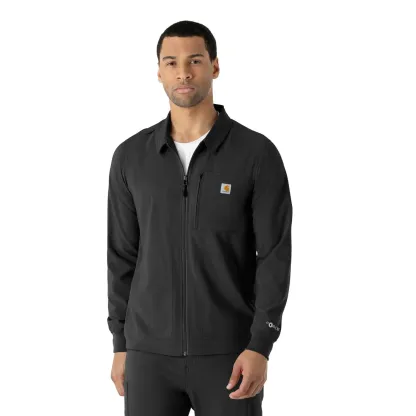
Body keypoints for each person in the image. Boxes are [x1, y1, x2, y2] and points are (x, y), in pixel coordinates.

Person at [107, 20, 293, 416]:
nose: (183, 73)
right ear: (159, 72)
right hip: (148, 356)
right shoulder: (131, 157)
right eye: (171, 63)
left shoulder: (255, 154)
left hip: (230, 354)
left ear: (215, 66)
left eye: (194, 60)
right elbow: (122, 256)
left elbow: (274, 256)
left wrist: (260, 345)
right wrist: (121, 344)